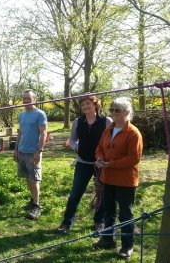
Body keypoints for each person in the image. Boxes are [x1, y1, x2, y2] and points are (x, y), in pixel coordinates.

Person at [92, 97, 143, 260]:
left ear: (127, 112)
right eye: (111, 110)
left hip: (125, 180)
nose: (113, 113)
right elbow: (99, 148)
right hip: (107, 178)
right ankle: (108, 239)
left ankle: (127, 246)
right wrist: (99, 159)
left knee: (126, 214)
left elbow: (133, 158)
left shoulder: (133, 133)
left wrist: (110, 164)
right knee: (109, 211)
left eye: (117, 110)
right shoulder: (109, 129)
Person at [54, 94, 112, 233]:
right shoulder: (77, 122)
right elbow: (72, 140)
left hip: (100, 164)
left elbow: (113, 140)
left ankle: (99, 221)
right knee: (75, 193)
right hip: (83, 163)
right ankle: (66, 222)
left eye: (88, 103)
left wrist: (106, 158)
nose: (85, 106)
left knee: (102, 193)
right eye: (83, 104)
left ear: (95, 104)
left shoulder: (106, 121)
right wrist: (76, 148)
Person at [12, 89, 47, 219]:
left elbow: (43, 134)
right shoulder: (22, 114)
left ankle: (36, 206)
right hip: (22, 151)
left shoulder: (40, 114)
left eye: (28, 98)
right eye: (24, 98)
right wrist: (15, 149)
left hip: (33, 152)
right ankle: (33, 200)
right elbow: (20, 132)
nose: (26, 100)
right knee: (27, 177)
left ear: (34, 99)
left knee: (34, 179)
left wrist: (39, 151)